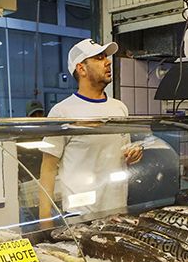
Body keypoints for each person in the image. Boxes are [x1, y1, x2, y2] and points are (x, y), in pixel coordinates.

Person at [38, 40, 143, 222]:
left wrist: (133, 154)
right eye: (99, 58)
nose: (108, 62)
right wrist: (44, 220)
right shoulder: (63, 112)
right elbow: (48, 169)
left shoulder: (120, 108)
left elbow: (124, 153)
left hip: (117, 210)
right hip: (81, 215)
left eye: (106, 57)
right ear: (82, 69)